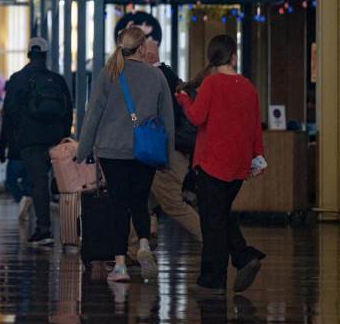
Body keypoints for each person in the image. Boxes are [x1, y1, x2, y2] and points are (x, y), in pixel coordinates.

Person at [75, 26, 175, 282]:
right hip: (146, 151)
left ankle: (119, 266)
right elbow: (168, 120)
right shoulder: (157, 76)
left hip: (113, 151)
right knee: (139, 203)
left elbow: (93, 113)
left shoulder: (110, 72)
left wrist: (82, 150)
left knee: (118, 206)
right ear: (141, 48)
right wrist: (167, 159)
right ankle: (143, 244)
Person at [176, 35, 266, 294]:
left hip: (213, 163)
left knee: (212, 222)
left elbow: (195, 117)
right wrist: (257, 158)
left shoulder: (213, 83)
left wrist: (183, 99)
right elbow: (254, 129)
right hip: (238, 167)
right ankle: (243, 256)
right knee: (220, 216)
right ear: (234, 57)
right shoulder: (249, 87)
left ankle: (212, 280)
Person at [125, 39, 202, 259]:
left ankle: (215, 241)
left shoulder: (154, 80)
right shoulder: (171, 77)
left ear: (147, 57)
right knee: (141, 201)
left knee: (172, 203)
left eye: (137, 57)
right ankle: (135, 251)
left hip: (162, 155)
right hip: (170, 153)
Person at [2, 37, 73, 244]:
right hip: (54, 139)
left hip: (30, 139)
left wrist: (9, 141)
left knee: (38, 182)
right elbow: (67, 110)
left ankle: (44, 229)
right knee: (56, 179)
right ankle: (69, 228)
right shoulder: (57, 80)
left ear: (28, 54)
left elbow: (9, 112)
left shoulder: (17, 79)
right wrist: (64, 137)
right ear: (45, 55)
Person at [0, 106, 33, 222]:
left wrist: (1, 153)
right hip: (29, 153)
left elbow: (3, 136)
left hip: (15, 154)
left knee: (10, 181)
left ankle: (22, 200)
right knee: (27, 181)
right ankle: (26, 205)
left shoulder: (9, 116)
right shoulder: (30, 113)